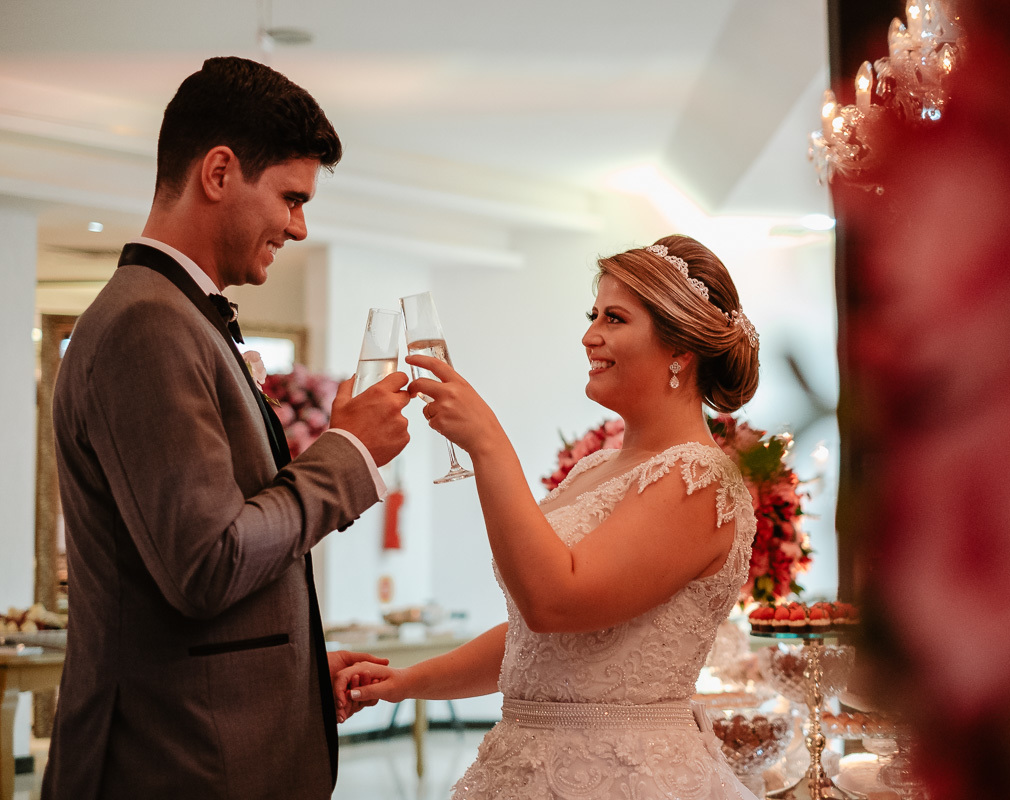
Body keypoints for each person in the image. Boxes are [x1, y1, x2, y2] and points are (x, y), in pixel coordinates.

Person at [44, 57, 413, 799]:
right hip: (175, 766)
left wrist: (292, 671)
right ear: (218, 172)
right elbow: (209, 562)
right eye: (291, 198)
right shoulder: (148, 324)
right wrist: (348, 456)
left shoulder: (175, 317)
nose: (300, 227)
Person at [336, 234, 762, 799]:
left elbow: (553, 602)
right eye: (593, 315)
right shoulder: (594, 469)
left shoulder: (699, 480)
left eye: (614, 318)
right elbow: (536, 641)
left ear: (680, 349)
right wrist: (407, 681)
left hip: (624, 779)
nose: (589, 336)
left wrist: (488, 444)